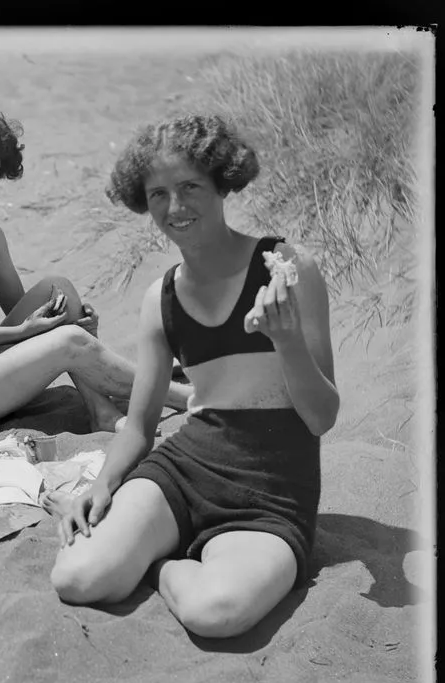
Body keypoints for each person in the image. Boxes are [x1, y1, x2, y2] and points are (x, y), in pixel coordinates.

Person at [48, 113, 340, 639]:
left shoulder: (286, 267)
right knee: (77, 576)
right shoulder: (159, 299)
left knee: (215, 613)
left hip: (270, 496)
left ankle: (160, 566)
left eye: (189, 188)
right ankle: (160, 547)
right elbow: (138, 428)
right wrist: (102, 484)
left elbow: (321, 417)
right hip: (183, 473)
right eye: (158, 194)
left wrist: (288, 341)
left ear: (222, 183)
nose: (175, 208)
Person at [0, 106, 193, 432]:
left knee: (57, 291)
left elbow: (34, 316)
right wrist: (24, 332)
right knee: (68, 340)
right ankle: (183, 397)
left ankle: (101, 410)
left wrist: (76, 321)